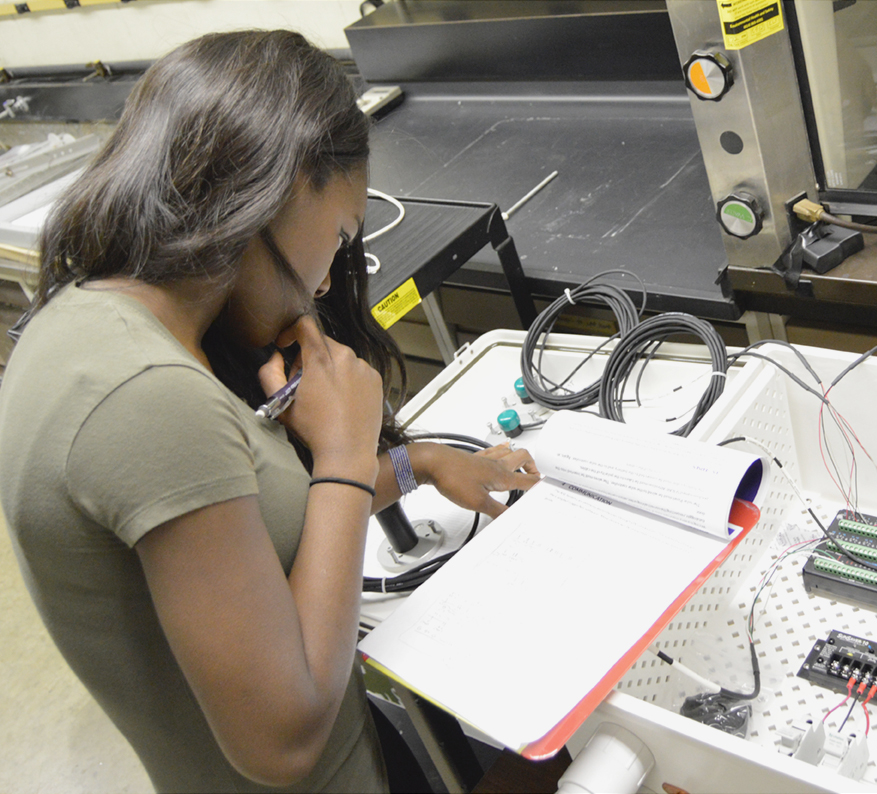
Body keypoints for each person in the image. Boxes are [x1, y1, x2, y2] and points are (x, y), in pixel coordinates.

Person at [0, 30, 538, 793]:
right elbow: (281, 742)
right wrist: (348, 453)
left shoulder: (94, 328)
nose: (323, 286)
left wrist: (414, 465)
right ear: (282, 190)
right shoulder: (144, 399)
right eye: (341, 235)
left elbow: (254, 529)